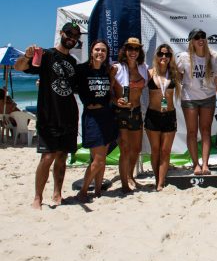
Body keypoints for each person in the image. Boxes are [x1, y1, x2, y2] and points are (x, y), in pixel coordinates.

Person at [14, 22, 81, 209]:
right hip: (49, 116)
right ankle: (37, 197)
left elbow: (75, 88)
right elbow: (19, 67)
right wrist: (26, 56)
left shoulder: (73, 63)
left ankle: (57, 192)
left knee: (62, 157)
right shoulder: (46, 55)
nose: (72, 38)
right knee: (47, 157)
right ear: (62, 33)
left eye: (75, 36)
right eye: (69, 33)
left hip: (68, 116)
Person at [178, 28, 217, 175]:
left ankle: (205, 164)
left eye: (203, 36)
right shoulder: (183, 57)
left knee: (206, 131)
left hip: (208, 98)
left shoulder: (214, 57)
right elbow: (178, 78)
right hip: (189, 98)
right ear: (191, 41)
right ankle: (195, 165)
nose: (200, 39)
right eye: (197, 37)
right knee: (192, 132)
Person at [76, 40, 117, 201]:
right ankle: (83, 191)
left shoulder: (107, 72)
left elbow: (109, 93)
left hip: (106, 116)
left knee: (101, 159)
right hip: (92, 118)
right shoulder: (82, 70)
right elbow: (70, 84)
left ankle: (98, 190)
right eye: (97, 50)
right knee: (98, 159)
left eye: (104, 51)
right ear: (91, 51)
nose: (100, 53)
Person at [110, 37, 148, 193]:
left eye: (136, 49)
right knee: (125, 148)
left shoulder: (144, 68)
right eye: (130, 48)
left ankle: (130, 175)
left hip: (136, 110)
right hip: (121, 112)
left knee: (136, 148)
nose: (133, 52)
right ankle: (125, 183)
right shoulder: (116, 68)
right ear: (125, 51)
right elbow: (108, 92)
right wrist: (115, 100)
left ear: (140, 52)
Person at [145, 44, 180, 191]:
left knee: (165, 151)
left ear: (171, 57)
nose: (164, 57)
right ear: (156, 56)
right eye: (161, 54)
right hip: (153, 115)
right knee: (155, 150)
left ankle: (160, 182)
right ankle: (156, 178)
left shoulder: (175, 74)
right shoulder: (149, 73)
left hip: (169, 115)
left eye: (167, 55)